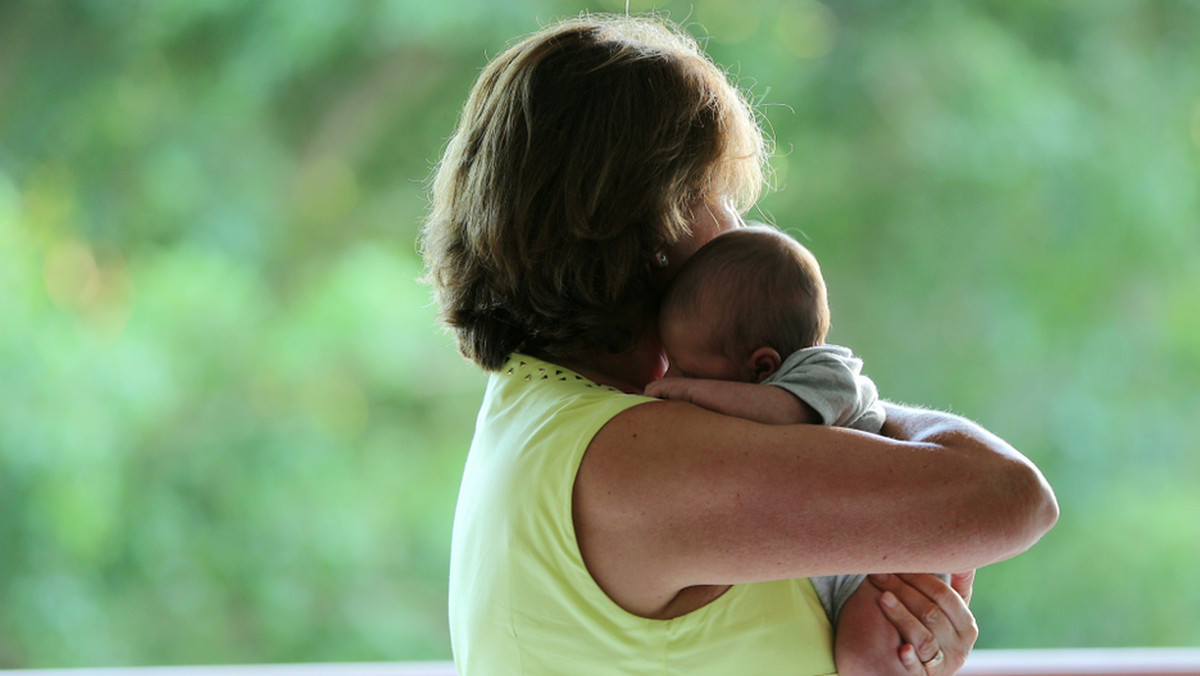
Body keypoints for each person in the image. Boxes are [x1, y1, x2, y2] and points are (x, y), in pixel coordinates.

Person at [421, 14, 1058, 676]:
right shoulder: (636, 463)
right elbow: (1010, 497)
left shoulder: (538, 414)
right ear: (652, 222)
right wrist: (832, 396)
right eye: (719, 196)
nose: (737, 228)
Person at [647, 223, 951, 651]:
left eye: (686, 369)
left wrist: (688, 392)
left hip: (881, 558)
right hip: (834, 553)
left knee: (868, 657)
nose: (671, 377)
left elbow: (785, 414)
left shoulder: (827, 374)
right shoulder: (758, 388)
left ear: (762, 367)